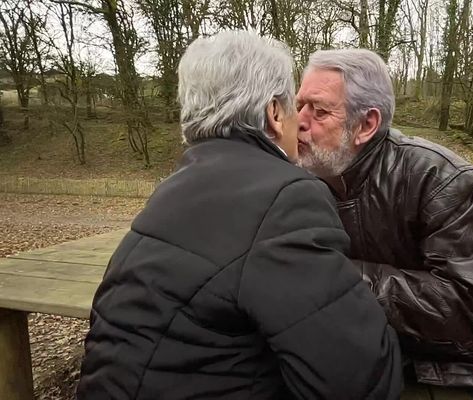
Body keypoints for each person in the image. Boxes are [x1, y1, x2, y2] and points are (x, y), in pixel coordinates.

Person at [76, 32, 404, 400]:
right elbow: (360, 381)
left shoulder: (172, 189)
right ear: (274, 114)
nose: (303, 122)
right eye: (294, 107)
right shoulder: (285, 197)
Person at [295, 48, 473, 400]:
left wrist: (341, 277)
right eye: (299, 104)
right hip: (385, 359)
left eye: (319, 110)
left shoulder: (439, 177)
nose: (299, 120)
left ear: (366, 125)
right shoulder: (303, 179)